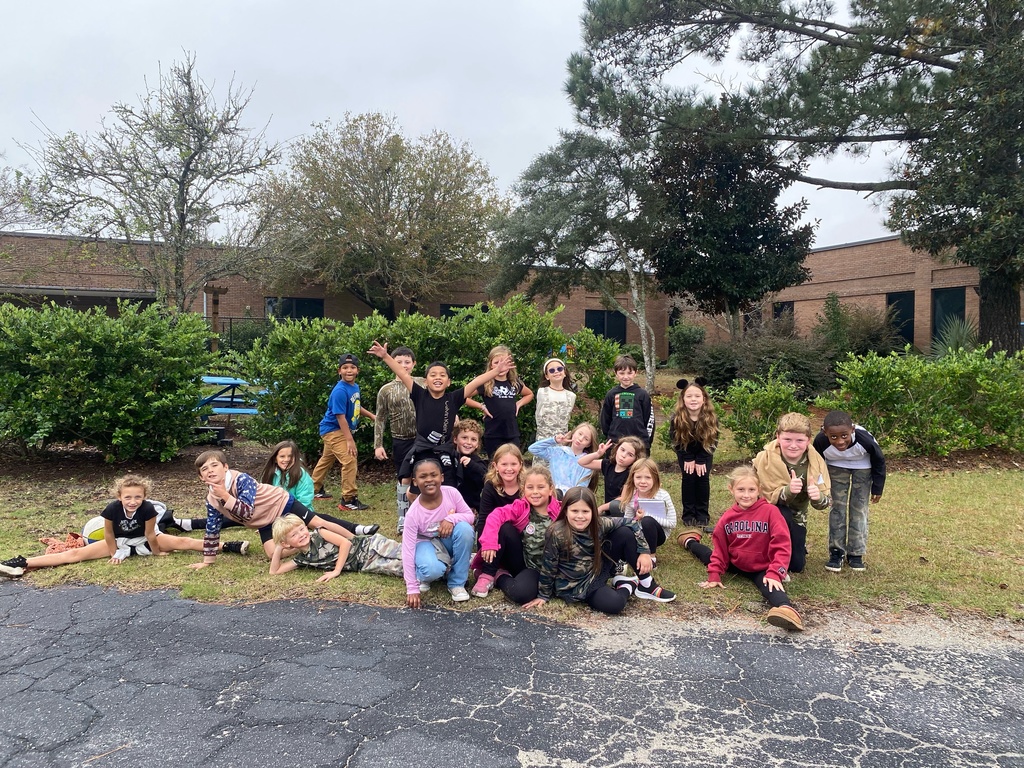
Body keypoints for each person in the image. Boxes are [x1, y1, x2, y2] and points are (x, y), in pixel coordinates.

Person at [0, 475, 248, 578]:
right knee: (73, 554)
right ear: (119, 496)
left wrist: (158, 551)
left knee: (183, 542)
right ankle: (22, 563)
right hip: (117, 542)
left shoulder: (149, 508)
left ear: (144, 496)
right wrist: (114, 554)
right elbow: (108, 534)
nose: (133, 501)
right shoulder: (111, 509)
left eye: (137, 497)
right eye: (128, 497)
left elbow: (151, 533)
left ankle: (228, 546)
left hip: (145, 539)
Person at [365, 340, 513, 488]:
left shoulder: (454, 398)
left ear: (448, 382)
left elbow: (475, 382)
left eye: (442, 375)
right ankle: (407, 511)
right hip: (422, 449)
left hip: (444, 450)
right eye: (433, 375)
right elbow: (402, 373)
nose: (437, 377)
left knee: (447, 486)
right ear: (425, 381)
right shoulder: (419, 394)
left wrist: (496, 371)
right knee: (408, 484)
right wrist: (385, 356)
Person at [678, 466, 803, 632]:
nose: (746, 495)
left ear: (759, 489)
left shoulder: (771, 512)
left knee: (771, 586)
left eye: (751, 490)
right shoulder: (727, 517)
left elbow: (781, 544)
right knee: (709, 557)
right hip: (735, 561)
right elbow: (720, 549)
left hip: (761, 566)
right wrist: (714, 574)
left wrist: (775, 571)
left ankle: (787, 610)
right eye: (741, 489)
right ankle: (690, 541)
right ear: (731, 490)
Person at [171, 440, 377, 537]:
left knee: (316, 519)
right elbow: (253, 503)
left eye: (289, 457)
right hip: (263, 513)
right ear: (275, 458)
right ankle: (186, 523)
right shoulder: (268, 475)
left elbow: (305, 502)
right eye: (282, 456)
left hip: (289, 509)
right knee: (224, 517)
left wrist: (292, 522)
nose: (286, 460)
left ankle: (356, 529)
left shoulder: (302, 476)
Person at [190, 449, 356, 569]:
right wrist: (207, 561)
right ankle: (306, 542)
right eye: (204, 469)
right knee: (272, 554)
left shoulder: (241, 479)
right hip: (263, 520)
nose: (210, 470)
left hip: (280, 502)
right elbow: (212, 528)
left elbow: (246, 511)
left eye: (214, 465)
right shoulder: (211, 499)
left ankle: (355, 540)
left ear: (225, 467)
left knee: (318, 523)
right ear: (200, 477)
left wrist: (225, 496)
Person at [524, 487, 675, 614]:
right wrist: (543, 595)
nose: (580, 516)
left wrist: (644, 552)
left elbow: (632, 523)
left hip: (594, 576)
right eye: (574, 511)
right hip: (568, 585)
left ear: (593, 512)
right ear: (565, 511)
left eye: (585, 511)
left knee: (624, 533)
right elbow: (549, 566)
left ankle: (646, 583)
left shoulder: (600, 523)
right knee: (614, 604)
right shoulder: (555, 531)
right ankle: (627, 585)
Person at [752, 412, 831, 574]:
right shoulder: (764, 459)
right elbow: (756, 496)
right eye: (787, 439)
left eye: (800, 440)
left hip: (797, 518)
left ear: (808, 440)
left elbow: (825, 502)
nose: (793, 445)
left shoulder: (815, 462)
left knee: (796, 566)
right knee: (781, 513)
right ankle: (765, 548)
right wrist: (787, 491)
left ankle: (795, 546)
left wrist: (817, 497)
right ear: (778, 436)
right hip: (766, 515)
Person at [471, 465, 561, 601]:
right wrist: (489, 543)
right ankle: (497, 575)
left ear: (550, 490)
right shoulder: (520, 507)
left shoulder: (561, 511)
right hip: (526, 565)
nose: (535, 492)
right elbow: (495, 515)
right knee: (521, 594)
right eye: (530, 487)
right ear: (524, 490)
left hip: (552, 567)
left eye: (541, 487)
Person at [812, 410, 886, 572]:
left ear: (852, 430)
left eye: (844, 436)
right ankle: (836, 552)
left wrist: (877, 487)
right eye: (834, 437)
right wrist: (820, 485)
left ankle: (856, 553)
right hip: (836, 466)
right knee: (837, 507)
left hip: (863, 467)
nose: (839, 441)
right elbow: (816, 463)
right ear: (825, 432)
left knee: (858, 509)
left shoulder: (864, 439)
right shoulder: (820, 441)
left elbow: (879, 460)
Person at [401, 458, 476, 606]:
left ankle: (456, 583)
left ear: (441, 477)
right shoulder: (413, 514)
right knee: (433, 570)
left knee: (465, 529)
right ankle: (423, 574)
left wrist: (451, 519)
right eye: (423, 477)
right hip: (425, 542)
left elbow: (470, 516)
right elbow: (407, 550)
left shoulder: (452, 493)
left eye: (433, 475)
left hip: (446, 540)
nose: (429, 480)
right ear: (415, 482)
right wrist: (412, 588)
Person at [311, 353, 376, 511]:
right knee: (349, 459)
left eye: (352, 367)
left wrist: (372, 416)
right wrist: (349, 440)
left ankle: (313, 489)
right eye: (345, 368)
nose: (349, 370)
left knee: (327, 458)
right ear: (339, 371)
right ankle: (348, 500)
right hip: (334, 430)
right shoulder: (339, 391)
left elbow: (355, 406)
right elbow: (340, 417)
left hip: (336, 430)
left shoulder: (354, 387)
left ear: (357, 370)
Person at [372, 345, 425, 533]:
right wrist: (378, 444)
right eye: (398, 362)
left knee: (423, 477)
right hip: (401, 440)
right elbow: (380, 418)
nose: (403, 365)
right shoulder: (386, 390)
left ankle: (423, 515)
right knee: (404, 478)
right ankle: (403, 517)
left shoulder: (423, 383)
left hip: (423, 439)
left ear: (414, 364)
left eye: (407, 362)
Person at [269, 513, 404, 581]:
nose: (301, 534)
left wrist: (336, 570)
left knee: (406, 553)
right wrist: (279, 548)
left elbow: (346, 543)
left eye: (301, 529)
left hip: (370, 545)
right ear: (286, 543)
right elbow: (274, 571)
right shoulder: (302, 559)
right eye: (294, 535)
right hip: (365, 564)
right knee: (403, 570)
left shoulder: (319, 534)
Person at [466, 344, 534, 456]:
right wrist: (481, 406)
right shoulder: (486, 383)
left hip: (512, 433)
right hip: (493, 433)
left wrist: (518, 404)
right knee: (494, 464)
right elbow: (464, 397)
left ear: (510, 364)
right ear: (491, 365)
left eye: (504, 363)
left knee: (513, 462)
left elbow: (529, 394)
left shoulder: (514, 383)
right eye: (497, 363)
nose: (500, 367)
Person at [670, 377, 719, 531]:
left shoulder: (711, 418)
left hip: (705, 453)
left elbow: (713, 441)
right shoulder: (677, 418)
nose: (693, 399)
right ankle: (689, 514)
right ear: (683, 399)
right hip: (685, 453)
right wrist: (689, 458)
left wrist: (701, 460)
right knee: (689, 479)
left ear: (704, 399)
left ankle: (702, 514)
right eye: (689, 396)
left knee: (702, 480)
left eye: (697, 396)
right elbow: (676, 440)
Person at [618, 458, 677, 563]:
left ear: (655, 479)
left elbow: (672, 523)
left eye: (648, 478)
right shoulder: (631, 495)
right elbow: (627, 520)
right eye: (638, 477)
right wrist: (636, 520)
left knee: (647, 521)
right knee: (622, 530)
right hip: (638, 532)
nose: (643, 481)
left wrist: (647, 515)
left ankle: (651, 558)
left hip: (658, 535)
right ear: (632, 478)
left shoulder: (662, 495)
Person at [577, 436, 646, 514]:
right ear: (617, 449)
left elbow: (623, 498)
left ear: (636, 459)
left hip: (622, 512)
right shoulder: (608, 464)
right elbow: (581, 462)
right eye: (622, 450)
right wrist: (598, 453)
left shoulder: (630, 474)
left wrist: (602, 507)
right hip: (608, 511)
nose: (623, 455)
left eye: (630, 455)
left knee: (615, 505)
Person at [599, 354, 654, 452]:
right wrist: (611, 436)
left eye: (629, 373)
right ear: (616, 374)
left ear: (635, 373)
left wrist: (646, 442)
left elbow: (649, 419)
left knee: (638, 467)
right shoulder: (611, 394)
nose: (626, 377)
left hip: (639, 443)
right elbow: (605, 419)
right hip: (616, 443)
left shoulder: (643, 395)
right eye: (622, 373)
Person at [528, 423, 600, 496]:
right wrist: (554, 440)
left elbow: (582, 486)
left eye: (586, 439)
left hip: (571, 499)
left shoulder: (587, 462)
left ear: (588, 444)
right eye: (580, 434)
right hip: (553, 495)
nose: (581, 439)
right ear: (573, 433)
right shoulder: (557, 452)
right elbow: (533, 449)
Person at [476, 443, 525, 538]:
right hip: (497, 537)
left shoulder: (528, 485)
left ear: (520, 465)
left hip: (524, 536)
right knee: (505, 527)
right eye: (504, 464)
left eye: (514, 464)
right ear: (496, 466)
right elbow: (483, 519)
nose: (509, 469)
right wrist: (482, 548)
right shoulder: (490, 487)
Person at [534, 357, 576, 442]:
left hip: (561, 442)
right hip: (543, 442)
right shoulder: (542, 392)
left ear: (564, 373)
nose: (556, 371)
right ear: (547, 376)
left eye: (559, 369)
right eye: (552, 370)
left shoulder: (571, 396)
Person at [452, 419, 488, 517]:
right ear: (455, 439)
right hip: (450, 506)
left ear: (477, 444)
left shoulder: (477, 461)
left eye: (473, 439)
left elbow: (486, 477)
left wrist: (471, 465)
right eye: (464, 437)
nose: (468, 442)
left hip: (471, 507)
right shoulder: (449, 458)